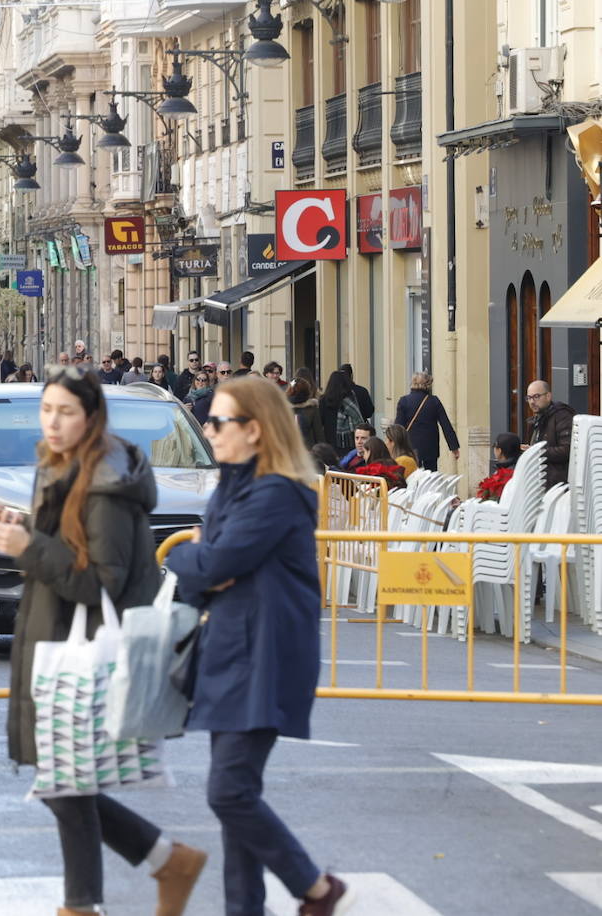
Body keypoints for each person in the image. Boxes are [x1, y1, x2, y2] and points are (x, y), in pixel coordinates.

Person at [0, 367, 207, 916]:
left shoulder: (105, 484)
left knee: (63, 784)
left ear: (91, 418)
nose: (53, 422)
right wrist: (26, 530)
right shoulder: (60, 467)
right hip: (58, 642)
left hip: (84, 648)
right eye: (47, 410)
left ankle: (94, 899)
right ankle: (162, 864)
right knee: (66, 783)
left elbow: (99, 580)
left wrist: (27, 544)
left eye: (66, 412)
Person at [165, 375, 351, 916]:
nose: (208, 430)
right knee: (235, 796)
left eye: (219, 422)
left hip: (264, 656)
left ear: (255, 430)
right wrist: (200, 561)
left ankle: (315, 887)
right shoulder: (233, 486)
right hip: (230, 651)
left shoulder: (275, 493)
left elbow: (214, 562)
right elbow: (209, 569)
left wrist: (189, 558)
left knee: (229, 793)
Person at [393, 372, 459, 472]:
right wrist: (454, 447)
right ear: (428, 385)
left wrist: (395, 446)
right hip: (430, 447)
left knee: (411, 475)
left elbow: (398, 427)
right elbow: (446, 425)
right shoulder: (434, 401)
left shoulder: (404, 401)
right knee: (430, 478)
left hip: (410, 447)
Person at [525, 379, 575, 489]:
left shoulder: (562, 416)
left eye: (536, 396)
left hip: (558, 485)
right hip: (540, 481)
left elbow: (567, 450)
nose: (532, 401)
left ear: (548, 396)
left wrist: (537, 451)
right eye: (529, 398)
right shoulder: (536, 419)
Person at [318, 371, 363, 453]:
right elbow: (359, 420)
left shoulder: (324, 400)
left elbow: (320, 423)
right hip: (349, 443)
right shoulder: (351, 400)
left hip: (329, 442)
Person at [287, 378, 324, 449]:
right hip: (308, 449)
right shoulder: (312, 409)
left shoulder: (282, 408)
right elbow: (318, 434)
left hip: (287, 449)